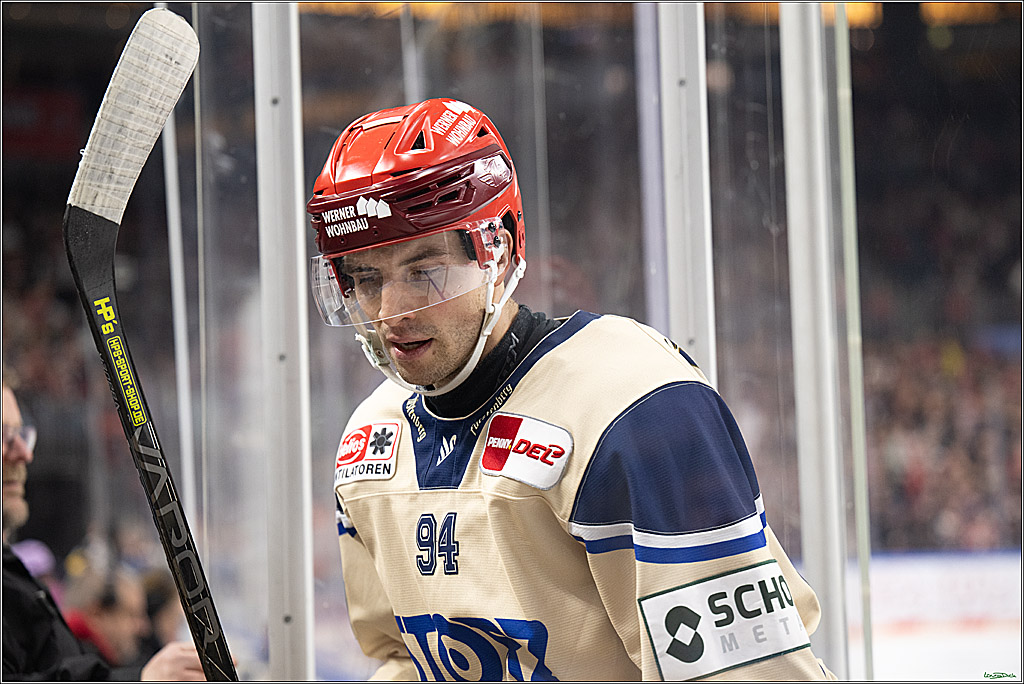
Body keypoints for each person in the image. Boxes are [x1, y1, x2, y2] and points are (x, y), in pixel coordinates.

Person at [307, 98, 836, 681]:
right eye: (364, 278)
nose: (391, 312)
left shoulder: (636, 407)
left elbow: (744, 671)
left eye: (423, 271)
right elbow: (403, 662)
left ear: (498, 249)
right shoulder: (371, 442)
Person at [2, 379, 208, 681]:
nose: (24, 453)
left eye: (22, 434)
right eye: (4, 436)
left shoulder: (13, 576)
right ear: (99, 612)